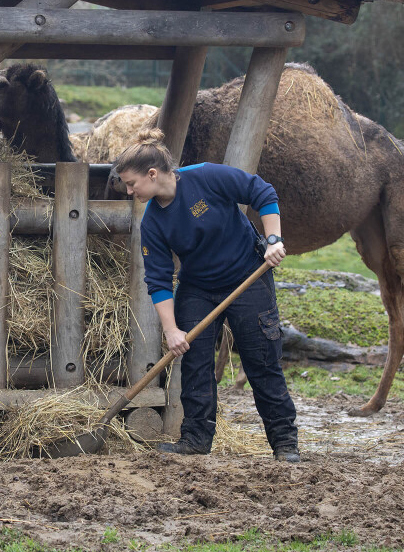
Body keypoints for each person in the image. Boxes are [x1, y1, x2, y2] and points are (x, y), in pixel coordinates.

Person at [113, 129, 299, 463]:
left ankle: (284, 443)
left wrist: (273, 240)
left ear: (152, 174)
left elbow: (261, 191)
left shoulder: (206, 177)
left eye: (131, 183)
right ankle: (196, 439)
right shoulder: (153, 221)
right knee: (196, 364)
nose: (129, 191)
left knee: (261, 361)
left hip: (247, 277)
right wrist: (172, 330)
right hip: (197, 288)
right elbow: (157, 279)